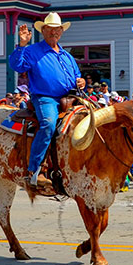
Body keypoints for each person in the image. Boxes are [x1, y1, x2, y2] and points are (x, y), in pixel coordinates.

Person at [8, 12, 85, 193]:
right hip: (45, 98)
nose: (54, 32)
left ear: (61, 31)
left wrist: (81, 81)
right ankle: (34, 170)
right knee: (49, 124)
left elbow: (77, 76)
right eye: (50, 29)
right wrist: (21, 45)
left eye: (57, 29)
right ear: (43, 30)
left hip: (70, 97)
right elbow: (17, 66)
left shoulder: (66, 55)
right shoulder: (32, 50)